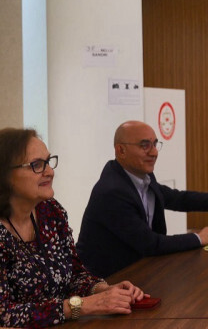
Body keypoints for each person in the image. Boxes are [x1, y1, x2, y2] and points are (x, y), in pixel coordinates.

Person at [76, 121, 208, 278]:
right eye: (145, 145)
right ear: (121, 150)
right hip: (106, 282)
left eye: (155, 144)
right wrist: (198, 238)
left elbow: (177, 198)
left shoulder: (140, 178)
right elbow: (149, 244)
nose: (154, 152)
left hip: (137, 273)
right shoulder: (112, 191)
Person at [0, 128, 147, 328]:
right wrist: (82, 306)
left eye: (49, 161)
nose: (50, 171)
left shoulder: (51, 212)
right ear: (4, 175)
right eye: (36, 165)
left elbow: (75, 274)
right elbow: (5, 315)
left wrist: (104, 290)